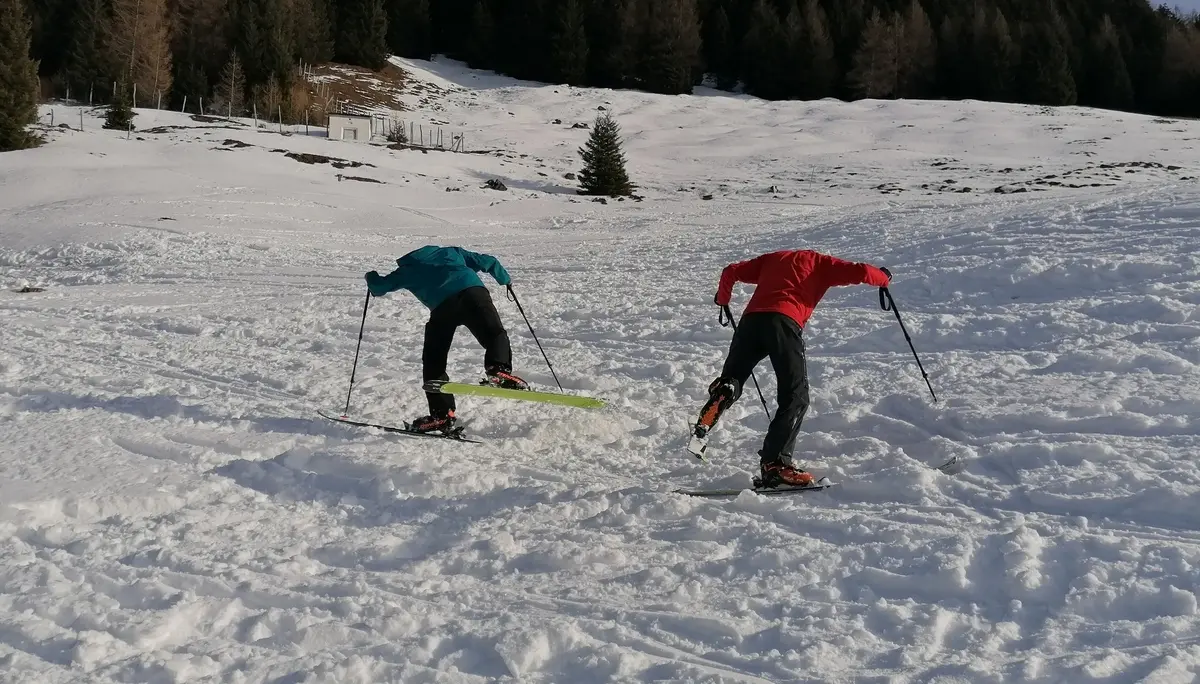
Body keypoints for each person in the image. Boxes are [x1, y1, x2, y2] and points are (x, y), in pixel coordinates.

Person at [691, 249, 892, 487]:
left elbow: (730, 271)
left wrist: (722, 300)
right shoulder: (822, 263)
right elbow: (862, 272)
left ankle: (725, 389)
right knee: (795, 397)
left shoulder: (771, 259)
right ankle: (775, 465)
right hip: (784, 323)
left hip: (750, 323)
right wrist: (884, 278)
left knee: (733, 378)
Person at [365, 245, 529, 433]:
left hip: (442, 308)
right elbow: (488, 261)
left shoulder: (407, 270)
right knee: (494, 333)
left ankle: (441, 415)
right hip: (473, 294)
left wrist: (370, 276)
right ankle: (498, 369)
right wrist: (505, 280)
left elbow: (378, 287)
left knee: (434, 359)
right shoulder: (451, 253)